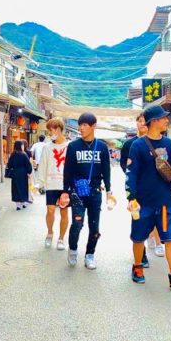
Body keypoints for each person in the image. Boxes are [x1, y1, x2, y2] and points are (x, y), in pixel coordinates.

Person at [126, 106, 171, 292]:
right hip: (143, 203)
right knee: (138, 238)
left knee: (169, 238)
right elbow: (131, 173)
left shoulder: (168, 143)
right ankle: (137, 266)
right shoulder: (137, 146)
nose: (167, 120)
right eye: (163, 118)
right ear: (153, 121)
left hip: (164, 203)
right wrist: (131, 197)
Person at [59, 112, 113, 269]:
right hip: (77, 192)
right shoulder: (73, 146)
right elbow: (67, 170)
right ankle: (73, 250)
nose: (81, 128)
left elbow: (106, 170)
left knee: (94, 227)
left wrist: (109, 190)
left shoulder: (102, 147)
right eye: (80, 125)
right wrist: (65, 191)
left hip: (95, 191)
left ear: (93, 126)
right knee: (77, 224)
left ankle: (90, 255)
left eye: (84, 125)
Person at [119, 114, 164, 267]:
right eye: (139, 121)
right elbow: (124, 164)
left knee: (156, 214)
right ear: (136, 123)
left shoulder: (158, 141)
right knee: (138, 218)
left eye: (145, 121)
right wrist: (134, 177)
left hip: (155, 187)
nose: (142, 123)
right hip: (136, 188)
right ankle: (142, 254)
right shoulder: (129, 144)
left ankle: (158, 241)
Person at [36, 118, 70, 250]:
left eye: (51, 130)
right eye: (48, 131)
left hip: (65, 186)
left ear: (59, 129)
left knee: (64, 212)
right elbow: (43, 165)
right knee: (50, 211)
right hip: (51, 184)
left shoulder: (70, 147)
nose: (49, 133)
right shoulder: (47, 147)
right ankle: (50, 233)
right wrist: (40, 183)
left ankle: (61, 239)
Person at [6, 141, 33, 211]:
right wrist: (29, 171)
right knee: (23, 187)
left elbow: (9, 165)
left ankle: (18, 205)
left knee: (16, 188)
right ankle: (23, 202)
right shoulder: (23, 155)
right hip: (23, 173)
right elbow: (28, 165)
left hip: (15, 173)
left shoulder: (12, 155)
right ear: (20, 146)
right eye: (22, 145)